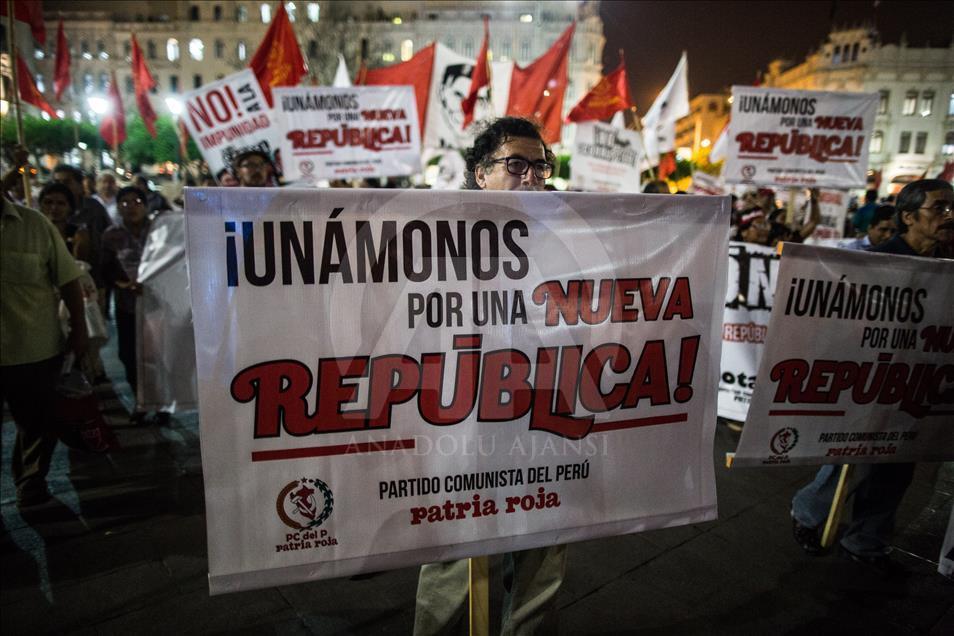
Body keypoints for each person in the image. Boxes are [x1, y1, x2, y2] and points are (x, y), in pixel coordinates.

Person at [416, 117, 565, 636]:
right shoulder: (441, 232)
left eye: (540, 167)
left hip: (544, 409)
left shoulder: (570, 231)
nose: (531, 176)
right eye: (515, 164)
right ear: (481, 173)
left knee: (545, 543)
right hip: (466, 414)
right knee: (457, 545)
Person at [791, 179, 954, 574]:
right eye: (939, 208)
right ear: (909, 217)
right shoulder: (875, 263)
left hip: (918, 381)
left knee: (898, 466)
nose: (949, 216)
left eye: (952, 208)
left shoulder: (948, 266)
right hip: (870, 377)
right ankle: (809, 512)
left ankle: (866, 541)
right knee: (851, 457)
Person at [1, 196, 88, 507]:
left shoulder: (35, 224)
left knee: (37, 423)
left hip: (33, 347)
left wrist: (79, 328)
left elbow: (68, 280)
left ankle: (31, 481)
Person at [102, 186, 151, 421]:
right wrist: (124, 284)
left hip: (157, 306)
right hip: (127, 305)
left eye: (137, 201)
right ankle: (141, 401)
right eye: (125, 202)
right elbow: (106, 268)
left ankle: (161, 403)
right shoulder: (111, 235)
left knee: (157, 355)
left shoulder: (159, 230)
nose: (131, 207)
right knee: (129, 355)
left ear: (146, 206)